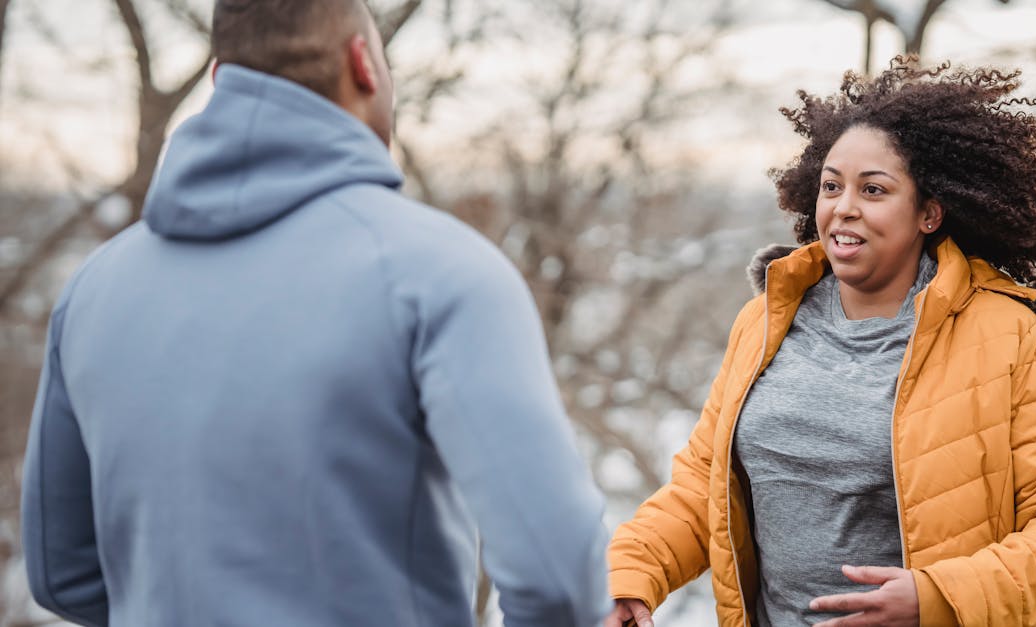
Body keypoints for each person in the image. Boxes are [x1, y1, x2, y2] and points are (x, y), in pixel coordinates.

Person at [20, 1, 611, 625]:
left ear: (221, 79)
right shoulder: (440, 274)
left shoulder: (93, 289)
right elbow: (558, 578)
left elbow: (61, 575)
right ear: (362, 63)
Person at [605, 57, 1036, 627]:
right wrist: (630, 577)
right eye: (831, 186)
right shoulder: (765, 321)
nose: (844, 207)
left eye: (874, 189)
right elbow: (703, 487)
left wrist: (939, 598)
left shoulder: (1011, 337)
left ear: (929, 213)